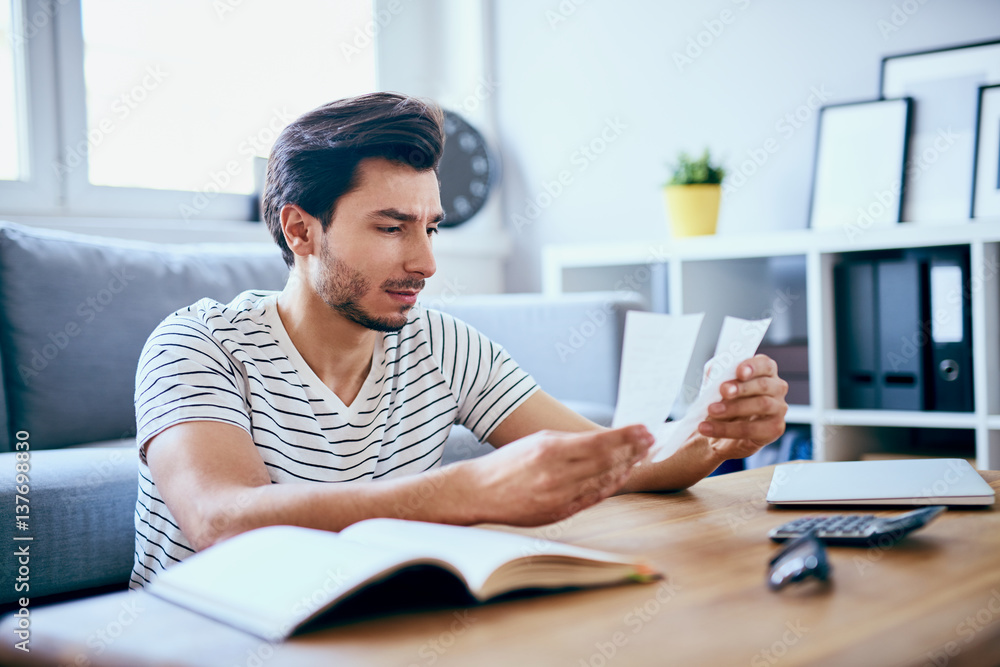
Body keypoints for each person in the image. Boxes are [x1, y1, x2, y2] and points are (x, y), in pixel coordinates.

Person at [130, 92, 788, 589]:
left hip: (359, 632)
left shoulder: (445, 346)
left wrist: (713, 434)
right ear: (301, 231)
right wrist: (464, 492)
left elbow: (617, 462)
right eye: (392, 228)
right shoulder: (197, 343)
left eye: (430, 228)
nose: (425, 263)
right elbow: (222, 521)